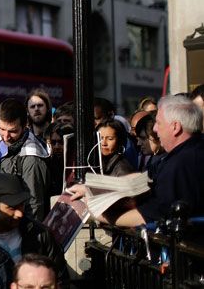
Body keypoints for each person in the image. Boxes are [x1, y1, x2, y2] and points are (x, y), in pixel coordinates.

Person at [70, 95, 204, 226]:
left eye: (158, 123)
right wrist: (90, 189)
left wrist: (94, 211)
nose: (155, 129)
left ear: (175, 127)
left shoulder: (179, 165)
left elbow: (149, 217)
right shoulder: (183, 153)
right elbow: (145, 177)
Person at [0, 174, 68, 285]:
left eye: (22, 205)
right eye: (12, 208)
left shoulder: (40, 234)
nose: (19, 213)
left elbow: (60, 279)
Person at [0, 98, 50, 220]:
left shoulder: (32, 158)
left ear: (24, 125)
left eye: (13, 131)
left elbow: (34, 204)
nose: (6, 137)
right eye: (2, 129)